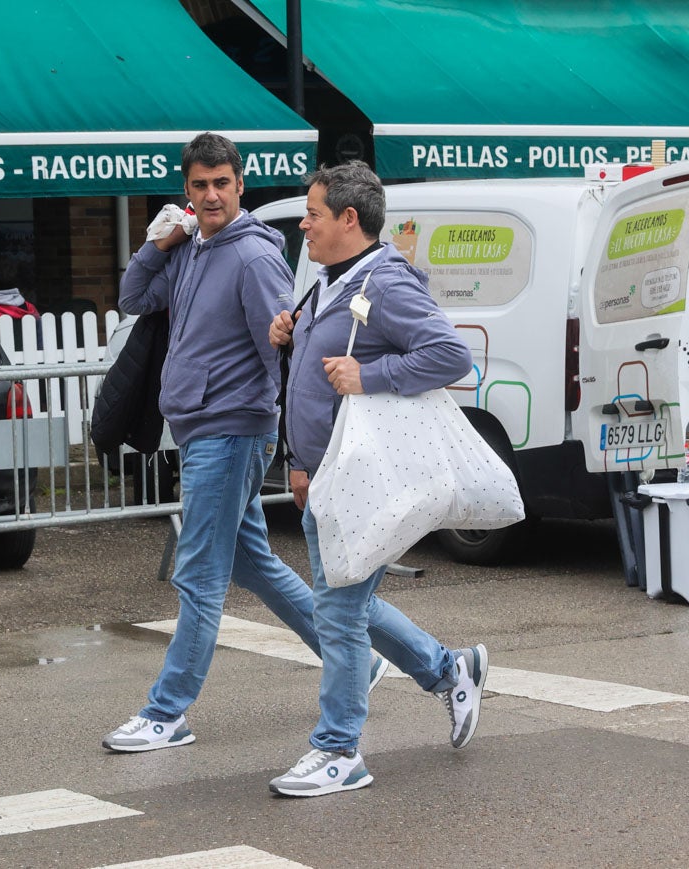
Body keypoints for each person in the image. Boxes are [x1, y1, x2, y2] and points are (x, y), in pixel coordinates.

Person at [105, 133, 387, 756]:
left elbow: (282, 350)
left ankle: (166, 711)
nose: (210, 195)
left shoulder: (254, 256)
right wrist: (157, 245)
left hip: (232, 430)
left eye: (221, 184)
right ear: (187, 189)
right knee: (256, 566)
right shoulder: (190, 249)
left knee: (198, 576)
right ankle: (383, 661)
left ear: (240, 185)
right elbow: (132, 297)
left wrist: (291, 449)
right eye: (199, 185)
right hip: (204, 428)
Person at [267, 161, 488, 797]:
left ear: (348, 219)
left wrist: (371, 377)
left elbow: (450, 355)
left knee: (337, 613)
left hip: (364, 479)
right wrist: (300, 462)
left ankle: (339, 750)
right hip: (324, 476)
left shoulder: (385, 283)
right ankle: (451, 670)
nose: (303, 224)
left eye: (312, 213)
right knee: (345, 604)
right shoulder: (326, 280)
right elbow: (310, 381)